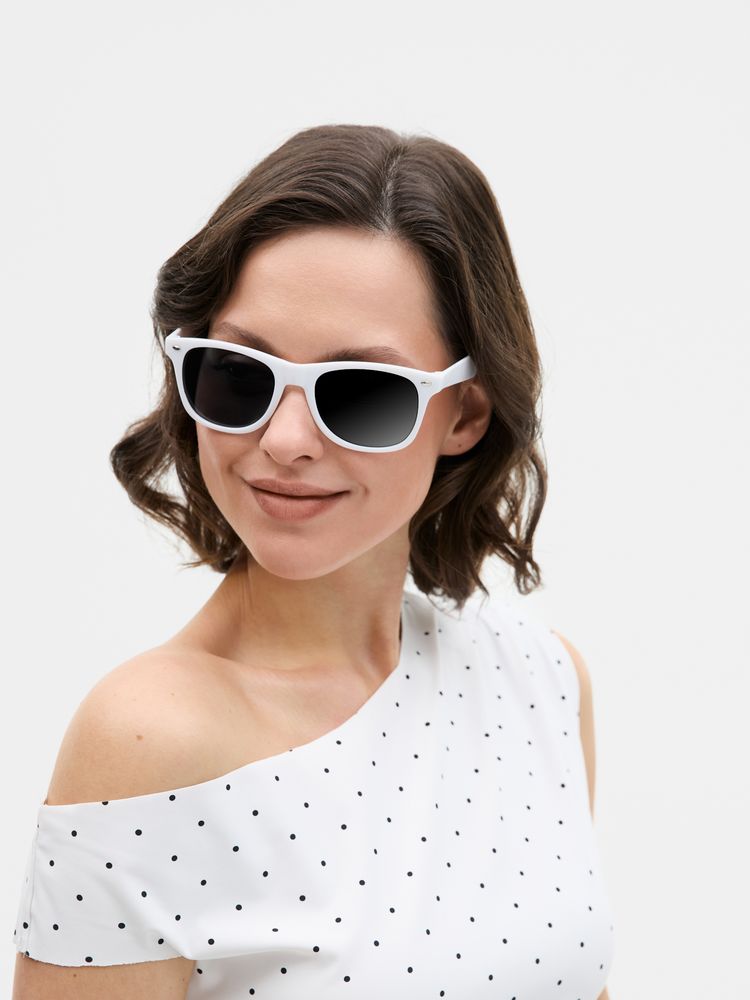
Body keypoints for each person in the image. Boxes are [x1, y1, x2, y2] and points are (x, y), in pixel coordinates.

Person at [11, 124, 615, 1000]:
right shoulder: (148, 740)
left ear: (465, 414)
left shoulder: (540, 680)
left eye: (361, 392)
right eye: (239, 374)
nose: (284, 440)